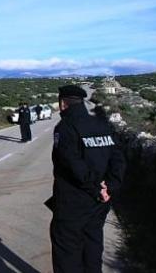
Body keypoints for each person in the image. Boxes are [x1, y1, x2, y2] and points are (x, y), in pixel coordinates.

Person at [49, 85, 125, 273]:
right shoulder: (102, 124)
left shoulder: (65, 127)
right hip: (99, 202)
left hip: (73, 202)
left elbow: (73, 164)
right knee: (92, 245)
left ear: (63, 104)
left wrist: (97, 188)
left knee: (67, 253)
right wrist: (110, 187)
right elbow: (118, 159)